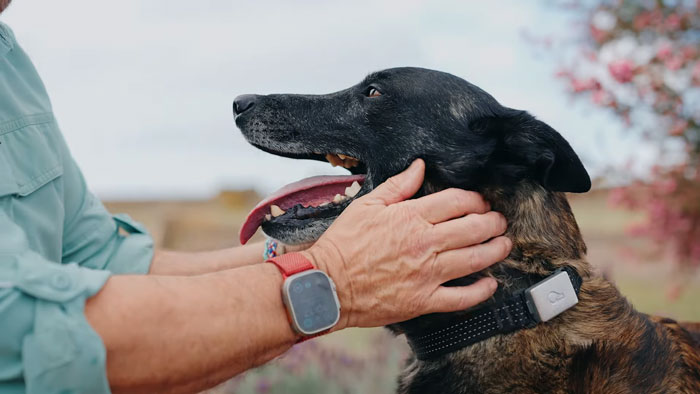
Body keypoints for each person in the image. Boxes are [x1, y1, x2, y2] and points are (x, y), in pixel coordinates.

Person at [0, 6, 511, 394]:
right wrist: (333, 280)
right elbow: (22, 327)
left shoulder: (11, 64)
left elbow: (105, 262)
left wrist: (309, 251)